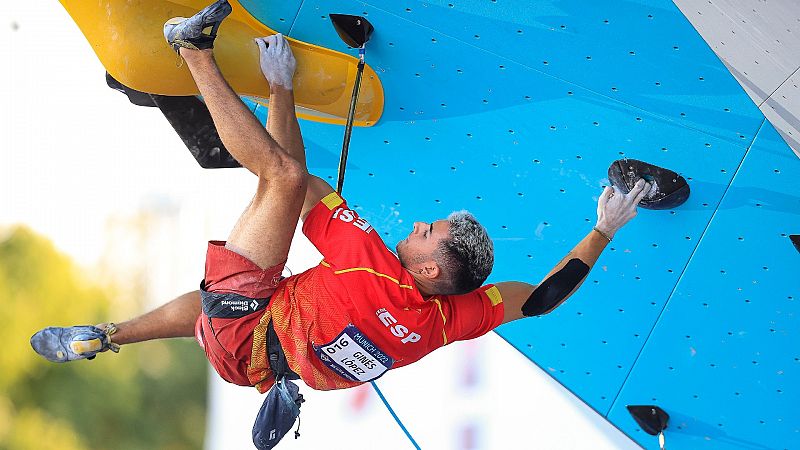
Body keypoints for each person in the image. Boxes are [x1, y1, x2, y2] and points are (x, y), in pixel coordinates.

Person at [32, 0, 652, 419]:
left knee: (281, 177)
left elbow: (296, 183)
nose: (414, 226)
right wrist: (603, 232)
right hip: (250, 365)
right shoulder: (442, 323)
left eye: (426, 232)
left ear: (432, 269)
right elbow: (542, 298)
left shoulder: (373, 262)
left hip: (251, 327)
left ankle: (192, 50)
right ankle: (111, 335)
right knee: (231, 286)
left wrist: (282, 90)